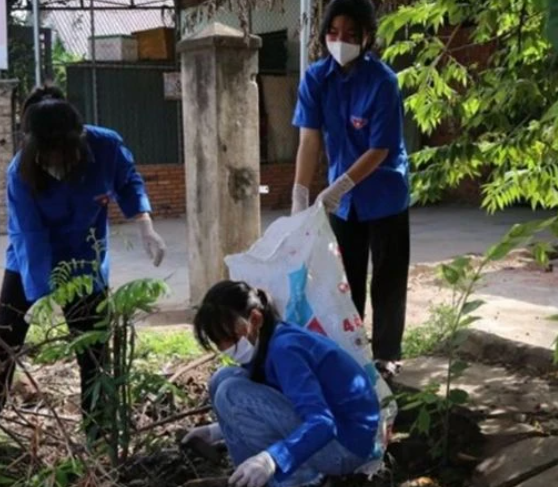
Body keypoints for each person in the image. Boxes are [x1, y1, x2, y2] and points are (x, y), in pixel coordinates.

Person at [0, 85, 167, 448]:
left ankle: (101, 436)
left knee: (93, 351)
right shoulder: (19, 173)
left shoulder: (105, 146)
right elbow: (29, 235)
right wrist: (39, 294)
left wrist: (145, 223)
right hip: (28, 262)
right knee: (4, 341)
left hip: (86, 261)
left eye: (63, 153)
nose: (56, 162)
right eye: (48, 155)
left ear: (79, 138)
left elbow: (128, 180)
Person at [290, 0, 410, 375]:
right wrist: (299, 193)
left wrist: (341, 184)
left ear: (368, 37)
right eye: (333, 33)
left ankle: (387, 354)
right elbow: (309, 139)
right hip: (341, 205)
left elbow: (380, 148)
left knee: (388, 278)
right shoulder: (315, 78)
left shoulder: (383, 82)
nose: (340, 41)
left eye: (351, 35)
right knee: (346, 279)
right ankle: (352, 350)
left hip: (384, 194)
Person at [183, 281, 381, 487]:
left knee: (232, 392)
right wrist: (215, 432)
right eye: (218, 342)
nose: (224, 348)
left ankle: (301, 481)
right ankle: (246, 479)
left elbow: (323, 423)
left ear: (255, 319)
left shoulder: (285, 350)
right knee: (221, 379)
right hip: (331, 435)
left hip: (344, 447)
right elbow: (279, 405)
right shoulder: (268, 340)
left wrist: (274, 458)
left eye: (228, 338)